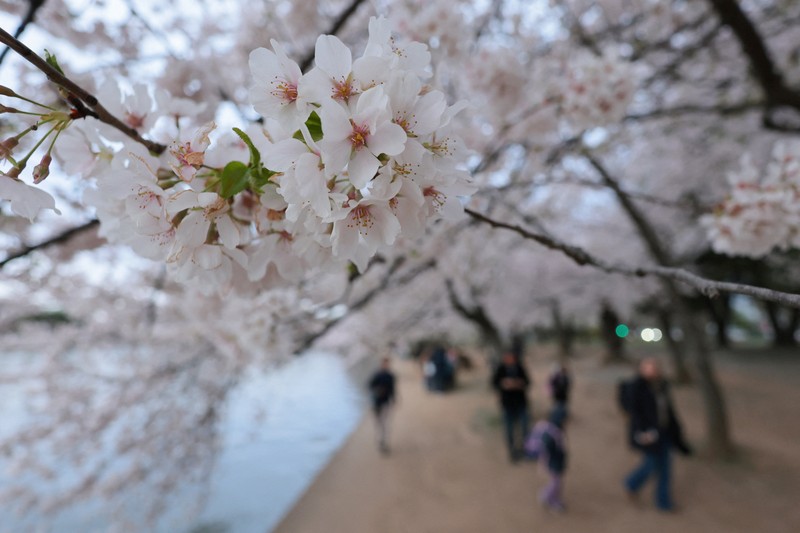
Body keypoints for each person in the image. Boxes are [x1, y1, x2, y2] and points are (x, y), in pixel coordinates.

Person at [623, 357, 691, 511]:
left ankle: (663, 502)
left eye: (654, 366)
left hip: (665, 432)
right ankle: (631, 483)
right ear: (640, 369)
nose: (651, 370)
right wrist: (642, 432)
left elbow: (669, 410)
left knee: (666, 469)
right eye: (647, 367)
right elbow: (634, 413)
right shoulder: (636, 387)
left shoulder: (662, 386)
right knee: (651, 464)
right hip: (648, 434)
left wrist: (677, 431)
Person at [491, 351, 531, 463]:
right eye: (507, 358)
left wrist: (519, 383)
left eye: (511, 358)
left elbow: (528, 382)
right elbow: (493, 383)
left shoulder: (520, 368)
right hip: (507, 405)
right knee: (509, 430)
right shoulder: (501, 369)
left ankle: (526, 450)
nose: (509, 360)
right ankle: (512, 452)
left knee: (525, 428)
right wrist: (503, 383)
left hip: (521, 404)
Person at [539, 405, 568, 512]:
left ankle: (549, 497)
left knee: (556, 482)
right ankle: (549, 498)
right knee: (555, 483)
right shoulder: (553, 434)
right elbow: (546, 450)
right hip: (553, 463)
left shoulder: (554, 430)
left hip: (556, 462)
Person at [368, 357, 397, 454]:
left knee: (384, 423)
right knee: (378, 422)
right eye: (384, 363)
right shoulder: (376, 375)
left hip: (386, 402)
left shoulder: (390, 376)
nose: (386, 365)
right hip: (376, 403)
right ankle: (379, 439)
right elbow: (369, 386)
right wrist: (378, 390)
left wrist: (394, 399)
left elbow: (393, 389)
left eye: (387, 363)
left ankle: (382, 441)